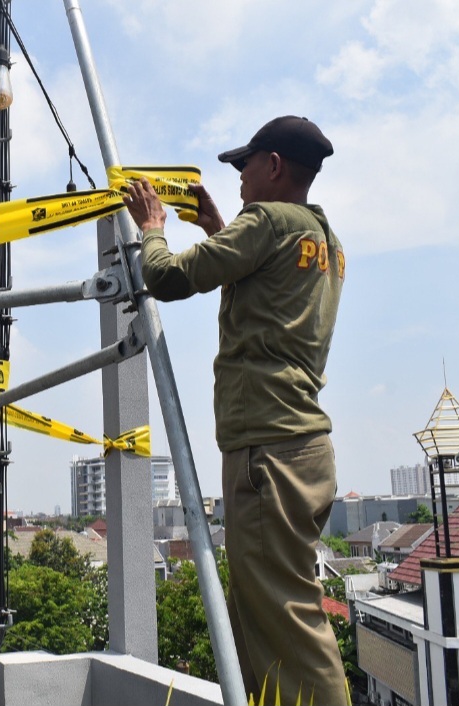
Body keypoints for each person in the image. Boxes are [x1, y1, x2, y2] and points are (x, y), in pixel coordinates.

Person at [123, 116, 347, 705]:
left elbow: (166, 277)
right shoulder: (321, 237)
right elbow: (261, 291)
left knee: (285, 618)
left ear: (272, 165)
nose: (239, 177)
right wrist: (220, 229)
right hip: (300, 447)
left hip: (267, 449)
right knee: (272, 612)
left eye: (245, 164)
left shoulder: (267, 221)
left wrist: (152, 228)